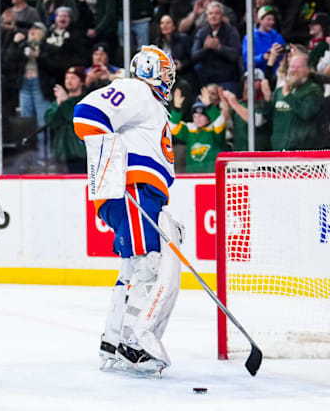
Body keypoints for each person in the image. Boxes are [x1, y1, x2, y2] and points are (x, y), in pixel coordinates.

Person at [73, 45, 183, 376]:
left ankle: (114, 340)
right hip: (133, 189)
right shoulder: (135, 89)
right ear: (148, 70)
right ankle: (134, 344)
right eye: (164, 72)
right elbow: (86, 115)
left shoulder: (151, 105)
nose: (168, 80)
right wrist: (113, 169)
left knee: (134, 266)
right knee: (148, 262)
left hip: (138, 189)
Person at [270, 51, 325, 150]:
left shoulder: (314, 90)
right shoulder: (279, 91)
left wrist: (288, 96)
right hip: (279, 149)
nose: (294, 70)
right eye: (292, 67)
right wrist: (266, 101)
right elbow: (269, 117)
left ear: (308, 70)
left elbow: (306, 113)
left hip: (302, 151)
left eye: (298, 67)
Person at [191, 1, 241, 93]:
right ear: (207, 16)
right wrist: (206, 49)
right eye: (210, 13)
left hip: (228, 80)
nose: (213, 16)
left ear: (222, 15)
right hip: (207, 81)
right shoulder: (202, 33)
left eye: (217, 13)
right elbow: (194, 56)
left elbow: (235, 55)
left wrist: (219, 48)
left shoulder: (231, 31)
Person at [45, 66, 87, 173]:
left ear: (81, 81)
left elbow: (73, 118)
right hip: (60, 154)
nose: (69, 81)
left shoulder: (85, 100)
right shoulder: (59, 100)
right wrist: (59, 103)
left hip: (79, 154)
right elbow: (50, 122)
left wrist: (64, 102)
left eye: (73, 78)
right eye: (67, 78)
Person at [169, 96, 226, 173]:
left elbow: (219, 120)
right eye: (195, 116)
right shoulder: (190, 130)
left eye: (201, 116)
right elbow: (172, 126)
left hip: (213, 176)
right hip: (192, 178)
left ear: (208, 116)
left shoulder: (215, 130)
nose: (197, 119)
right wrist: (177, 108)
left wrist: (209, 106)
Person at [220, 70, 273, 151]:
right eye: (247, 81)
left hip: (261, 155)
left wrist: (235, 104)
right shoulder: (240, 103)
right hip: (240, 155)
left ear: (263, 84)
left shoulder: (266, 103)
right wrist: (226, 107)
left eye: (254, 81)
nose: (249, 85)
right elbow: (229, 126)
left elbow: (257, 121)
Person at [242, 5, 285, 75]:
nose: (272, 22)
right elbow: (247, 62)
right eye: (268, 19)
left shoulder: (278, 37)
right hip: (256, 76)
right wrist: (263, 57)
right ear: (260, 20)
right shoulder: (250, 38)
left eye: (273, 19)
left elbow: (283, 58)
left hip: (276, 76)